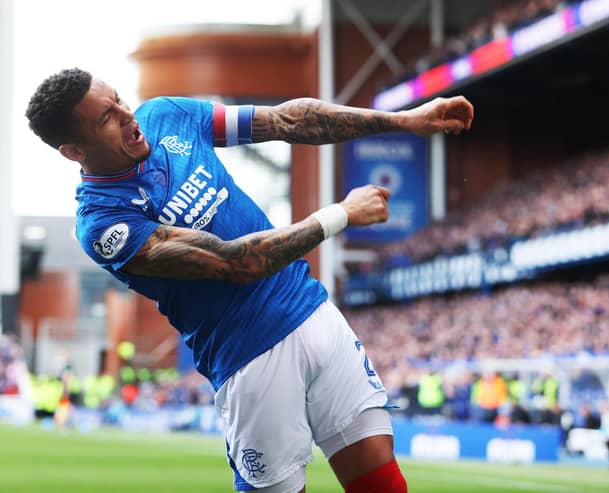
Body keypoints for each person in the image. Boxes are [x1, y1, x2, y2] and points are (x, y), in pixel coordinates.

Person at [26, 68, 473, 493]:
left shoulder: (167, 115)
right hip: (249, 357)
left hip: (310, 309)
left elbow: (285, 120)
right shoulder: (104, 223)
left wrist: (403, 121)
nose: (128, 115)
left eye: (119, 99)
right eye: (107, 117)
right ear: (74, 151)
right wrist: (341, 214)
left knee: (378, 471)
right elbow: (237, 263)